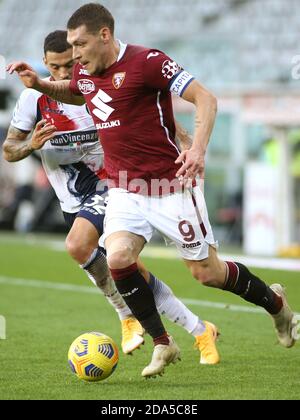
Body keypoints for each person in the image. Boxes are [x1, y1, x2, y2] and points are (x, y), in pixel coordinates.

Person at [7, 4, 297, 379]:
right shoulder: (84, 70)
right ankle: (163, 342)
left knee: (207, 273)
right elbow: (80, 91)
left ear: (104, 35)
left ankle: (277, 306)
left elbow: (205, 99)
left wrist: (197, 150)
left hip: (168, 185)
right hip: (124, 188)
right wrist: (41, 85)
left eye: (80, 44)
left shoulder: (148, 62)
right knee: (118, 257)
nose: (74, 54)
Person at [3, 30, 220, 366]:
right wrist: (30, 145)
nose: (64, 74)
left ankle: (125, 315)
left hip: (113, 184)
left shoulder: (92, 88)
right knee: (131, 271)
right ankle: (198, 329)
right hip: (71, 201)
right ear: (44, 64)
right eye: (55, 68)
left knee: (78, 245)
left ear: (77, 60)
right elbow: (9, 151)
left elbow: (147, 115)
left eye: (69, 66)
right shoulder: (34, 99)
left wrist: (185, 139)